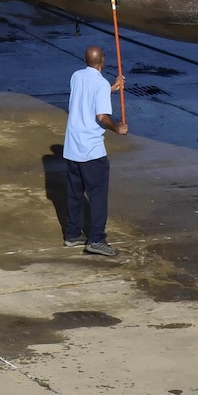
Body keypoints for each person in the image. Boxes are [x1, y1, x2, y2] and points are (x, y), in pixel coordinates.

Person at [61, 45, 127, 256]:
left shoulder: (76, 76)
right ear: (103, 61)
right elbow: (101, 116)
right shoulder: (100, 83)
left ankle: (72, 234)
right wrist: (118, 128)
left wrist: (111, 89)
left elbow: (87, 95)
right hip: (91, 151)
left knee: (74, 194)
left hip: (72, 148)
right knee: (97, 196)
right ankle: (96, 239)